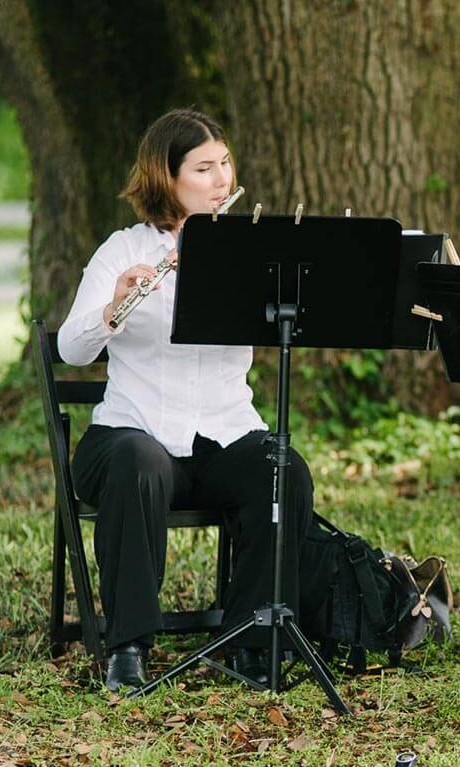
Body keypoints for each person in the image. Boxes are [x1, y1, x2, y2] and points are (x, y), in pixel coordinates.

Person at [58, 109, 314, 692]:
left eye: (225, 164)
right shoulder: (122, 251)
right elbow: (72, 349)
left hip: (221, 435)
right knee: (139, 464)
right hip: (131, 434)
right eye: (203, 168)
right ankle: (129, 645)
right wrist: (114, 306)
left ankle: (255, 642)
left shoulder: (249, 251)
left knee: (284, 472)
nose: (222, 180)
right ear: (165, 177)